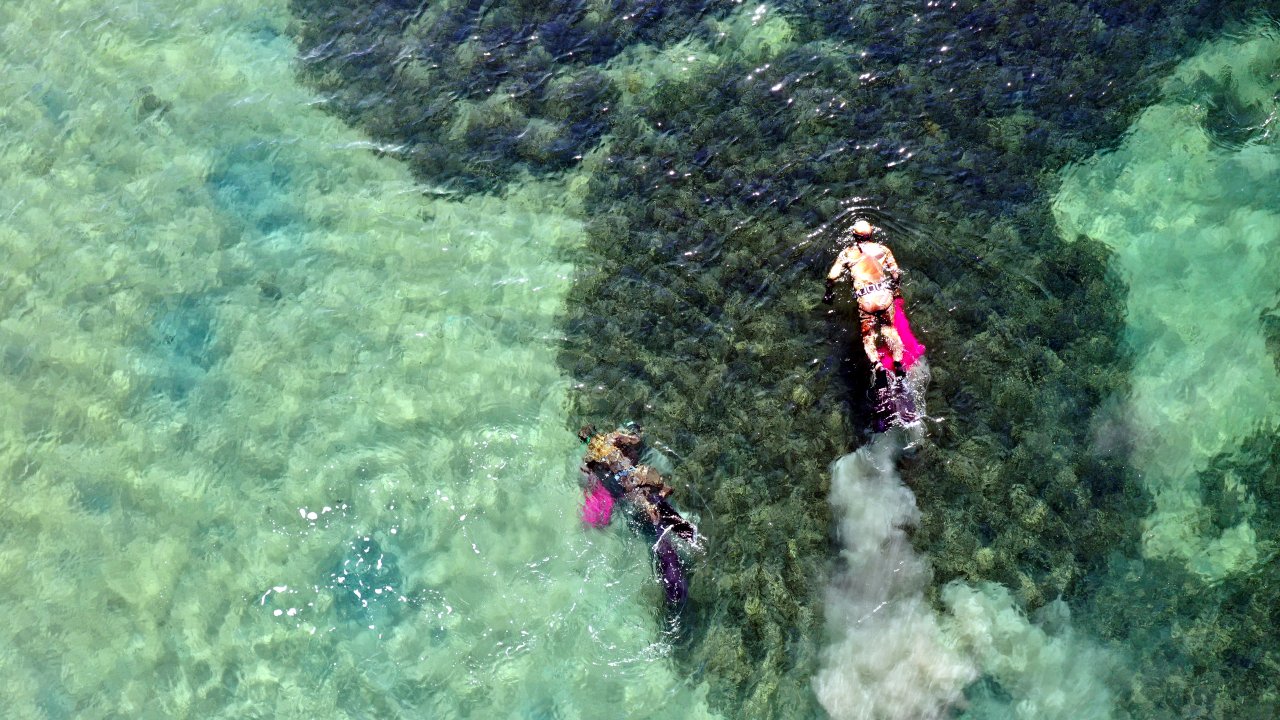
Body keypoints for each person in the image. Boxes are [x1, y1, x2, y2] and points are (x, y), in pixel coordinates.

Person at [822, 218, 906, 375]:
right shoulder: (883, 249)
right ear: (871, 234)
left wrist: (828, 292)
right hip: (884, 296)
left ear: (854, 236)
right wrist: (896, 291)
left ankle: (877, 366)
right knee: (889, 329)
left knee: (868, 336)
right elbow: (895, 274)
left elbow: (832, 277)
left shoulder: (847, 253)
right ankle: (898, 362)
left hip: (866, 298)